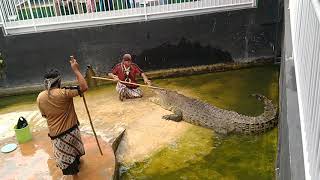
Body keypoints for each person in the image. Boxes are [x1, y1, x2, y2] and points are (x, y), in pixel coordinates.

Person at [37, 58, 88, 176]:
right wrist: (76, 70)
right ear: (59, 81)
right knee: (76, 157)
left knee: (70, 170)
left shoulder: (40, 97)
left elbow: (44, 115)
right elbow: (84, 87)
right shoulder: (64, 93)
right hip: (72, 133)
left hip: (58, 137)